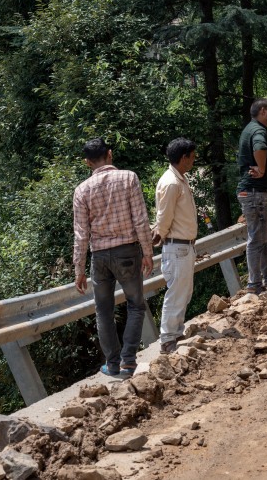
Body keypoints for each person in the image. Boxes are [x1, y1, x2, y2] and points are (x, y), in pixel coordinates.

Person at [73, 138, 154, 378]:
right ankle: (129, 360)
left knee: (103, 311)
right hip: (127, 252)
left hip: (99, 257)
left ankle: (113, 364)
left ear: (88, 162)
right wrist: (148, 252)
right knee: (136, 305)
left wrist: (79, 269)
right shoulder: (129, 178)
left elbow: (80, 234)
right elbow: (140, 219)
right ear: (110, 154)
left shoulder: (81, 190)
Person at [152, 137, 198, 354]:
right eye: (192, 156)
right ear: (183, 157)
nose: (194, 160)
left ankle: (176, 333)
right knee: (177, 293)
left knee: (184, 292)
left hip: (183, 246)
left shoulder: (179, 179)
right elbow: (164, 216)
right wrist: (158, 235)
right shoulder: (171, 183)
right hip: (176, 246)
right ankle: (168, 339)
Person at [237, 98, 267, 294]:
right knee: (257, 238)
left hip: (255, 193)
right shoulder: (258, 130)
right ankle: (254, 285)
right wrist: (263, 169)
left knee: (262, 236)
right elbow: (259, 146)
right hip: (254, 194)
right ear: (263, 111)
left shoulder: (251, 127)